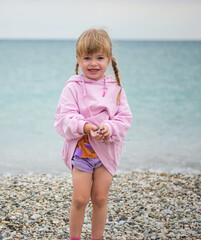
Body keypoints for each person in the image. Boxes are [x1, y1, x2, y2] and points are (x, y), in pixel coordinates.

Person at [54, 28, 132, 240]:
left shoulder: (115, 88)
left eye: (99, 57)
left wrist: (110, 128)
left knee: (100, 198)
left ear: (109, 60)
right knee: (80, 199)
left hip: (106, 153)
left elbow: (124, 118)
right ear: (79, 59)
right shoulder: (73, 86)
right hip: (82, 153)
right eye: (87, 57)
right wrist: (87, 127)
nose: (93, 63)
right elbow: (65, 118)